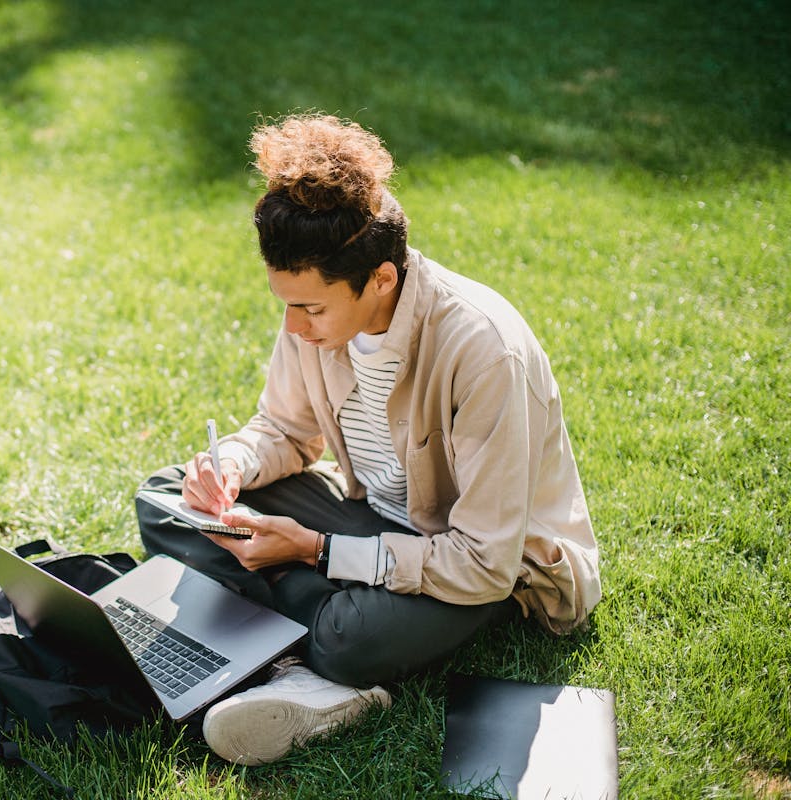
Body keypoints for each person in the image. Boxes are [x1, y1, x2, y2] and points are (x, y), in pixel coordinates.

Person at [135, 114, 602, 766]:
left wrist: (315, 551)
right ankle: (300, 664)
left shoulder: (485, 350)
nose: (295, 328)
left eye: (312, 308)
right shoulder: (314, 318)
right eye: (286, 305)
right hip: (374, 519)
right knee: (163, 497)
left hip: (483, 569)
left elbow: (484, 562)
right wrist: (232, 467)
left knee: (353, 638)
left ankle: (287, 647)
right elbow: (286, 431)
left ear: (381, 279)